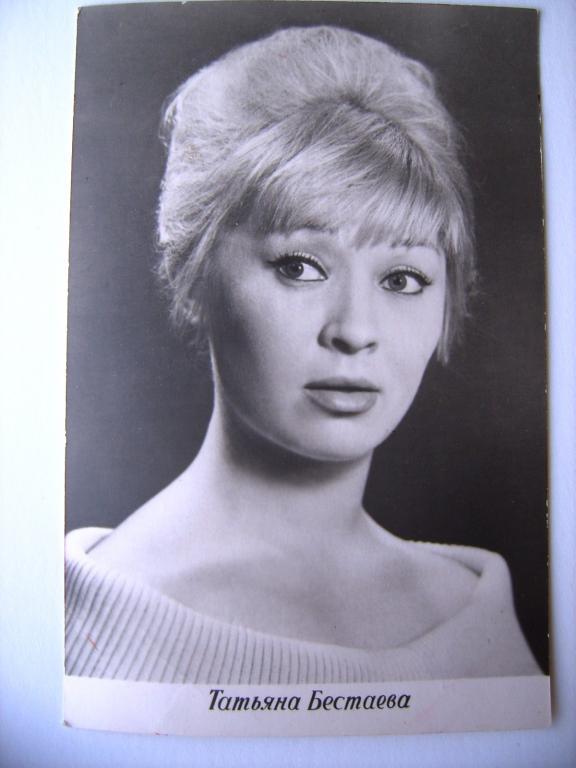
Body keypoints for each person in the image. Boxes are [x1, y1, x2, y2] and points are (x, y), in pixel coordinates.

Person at [65, 25, 539, 684]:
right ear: (194, 276)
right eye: (300, 267)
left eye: (403, 279)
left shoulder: (474, 618)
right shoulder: (87, 625)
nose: (355, 330)